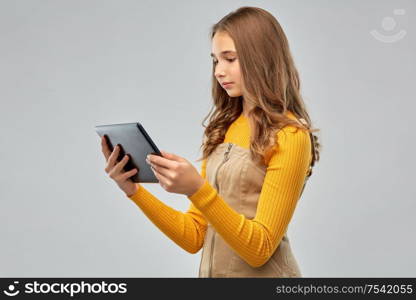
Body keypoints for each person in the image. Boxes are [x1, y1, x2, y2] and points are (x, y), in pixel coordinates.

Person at [100, 6, 321, 278]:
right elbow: (194, 236)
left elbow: (260, 249)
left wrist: (197, 189)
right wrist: (133, 190)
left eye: (230, 59)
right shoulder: (224, 128)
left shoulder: (291, 136)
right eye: (216, 60)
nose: (219, 71)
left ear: (261, 59)